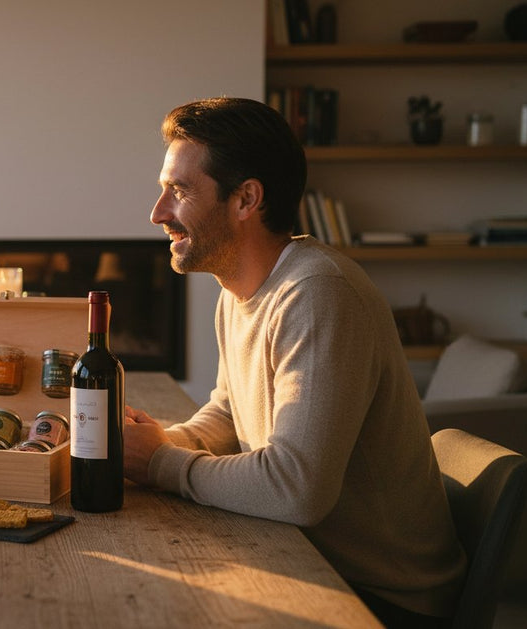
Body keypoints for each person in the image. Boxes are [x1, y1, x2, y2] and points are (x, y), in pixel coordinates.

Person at [123, 97, 466, 627]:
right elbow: (229, 411)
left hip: (381, 599)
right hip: (309, 559)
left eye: (180, 191)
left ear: (246, 200)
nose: (158, 212)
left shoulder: (318, 293)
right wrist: (165, 442)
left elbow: (297, 489)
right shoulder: (237, 291)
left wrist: (161, 465)